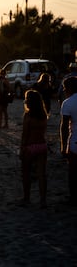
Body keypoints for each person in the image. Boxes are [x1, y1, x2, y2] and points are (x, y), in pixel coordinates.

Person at [20, 90, 48, 208]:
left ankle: (27, 198)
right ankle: (43, 200)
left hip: (30, 146)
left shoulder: (28, 116)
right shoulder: (43, 116)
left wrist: (22, 147)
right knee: (41, 174)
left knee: (26, 173)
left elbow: (25, 134)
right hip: (42, 145)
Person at [60, 76, 77, 206]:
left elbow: (64, 127)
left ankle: (73, 197)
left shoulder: (68, 103)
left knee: (73, 172)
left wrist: (63, 145)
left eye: (65, 88)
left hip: (75, 142)